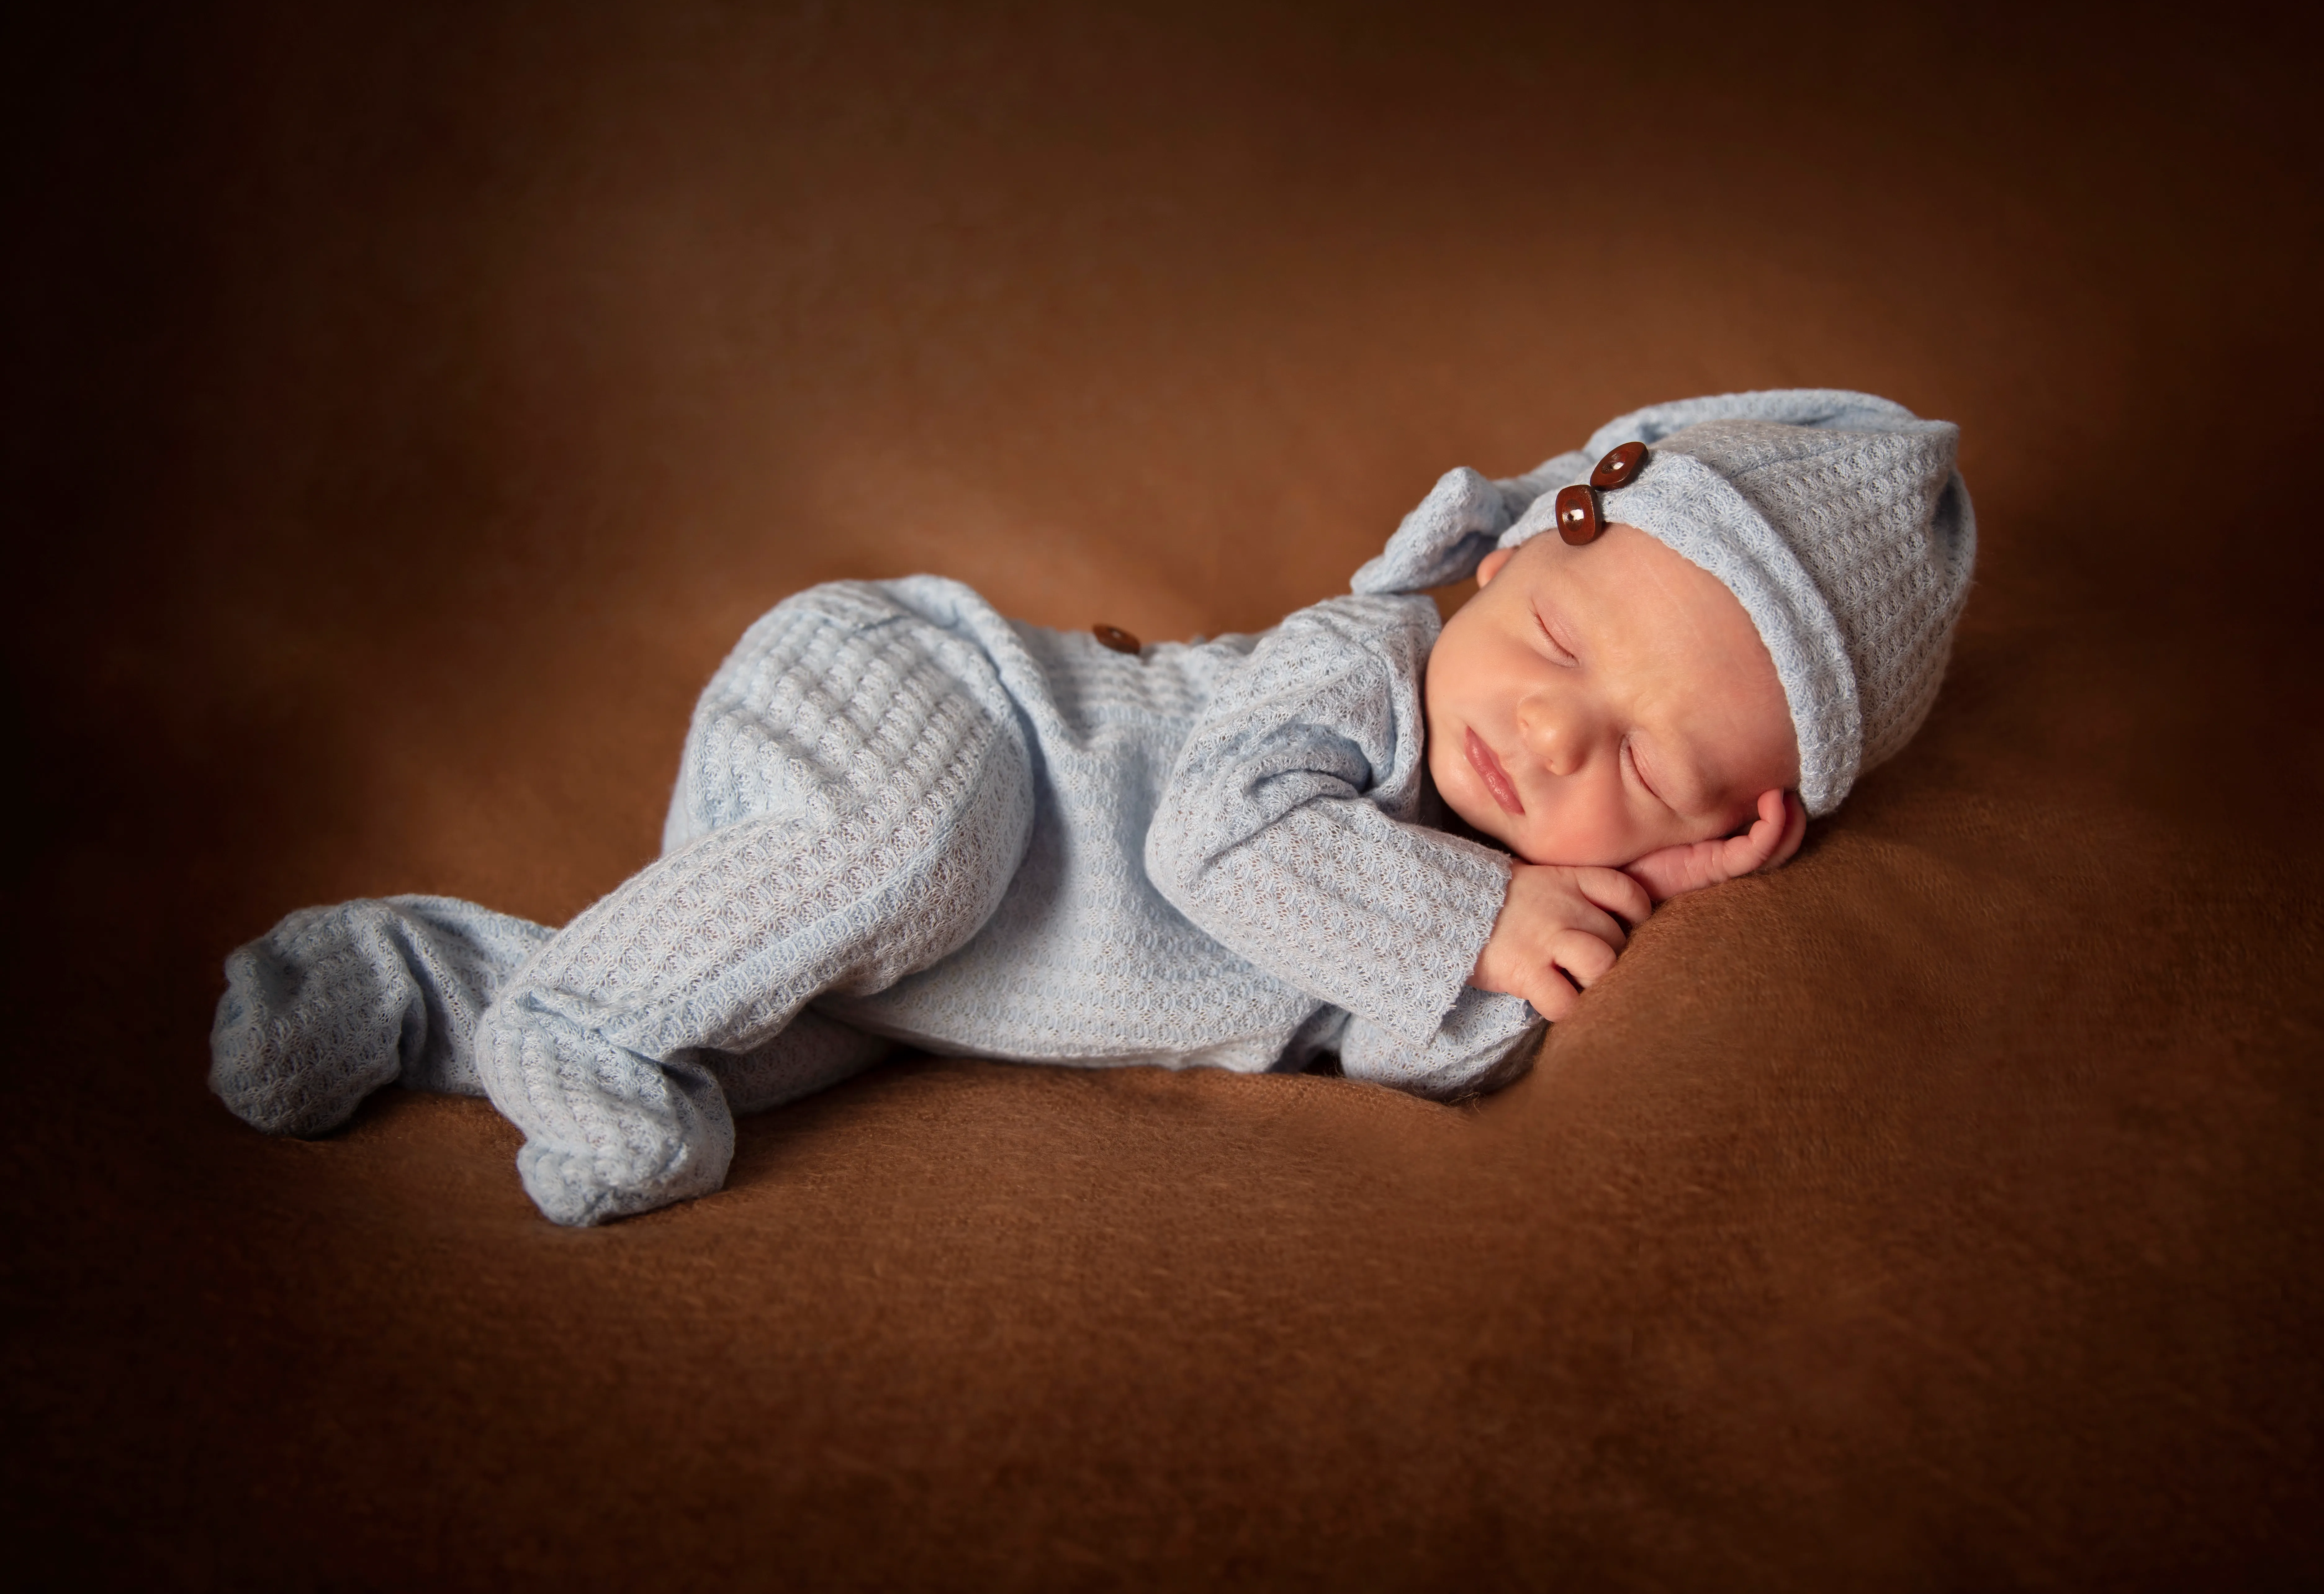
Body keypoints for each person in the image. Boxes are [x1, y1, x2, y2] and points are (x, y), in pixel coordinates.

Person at [209, 388, 1975, 1226]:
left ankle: (416, 986)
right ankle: (580, 1031)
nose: (1553, 733)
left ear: (1735, 832)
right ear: (1510, 556)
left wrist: (1537, 937)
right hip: (923, 705)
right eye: (1563, 639)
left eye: (1651, 771)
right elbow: (1216, 849)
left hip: (930, 971)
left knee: (770, 1029)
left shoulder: (1519, 887)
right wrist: (1474, 917)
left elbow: (1403, 1050)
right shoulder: (1359, 668)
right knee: (910, 853)